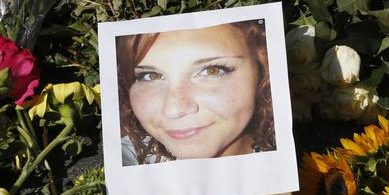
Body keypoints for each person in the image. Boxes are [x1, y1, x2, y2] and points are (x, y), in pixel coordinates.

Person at [116, 20, 275, 165]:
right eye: (151, 76)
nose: (174, 110)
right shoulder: (125, 158)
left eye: (212, 71)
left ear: (263, 71)